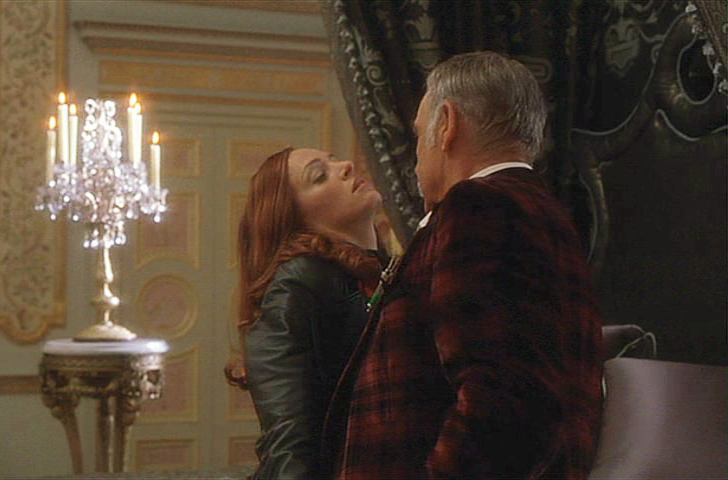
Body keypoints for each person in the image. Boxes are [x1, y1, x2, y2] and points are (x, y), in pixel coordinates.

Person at [325, 51, 604, 479]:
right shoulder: (544, 211)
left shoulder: (479, 206)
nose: (417, 156)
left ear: (447, 124)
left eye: (419, 134)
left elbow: (501, 396)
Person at [226, 146, 386, 479]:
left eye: (334, 159)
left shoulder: (381, 271)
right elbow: (291, 442)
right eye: (319, 175)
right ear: (295, 220)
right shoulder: (297, 283)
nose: (346, 166)